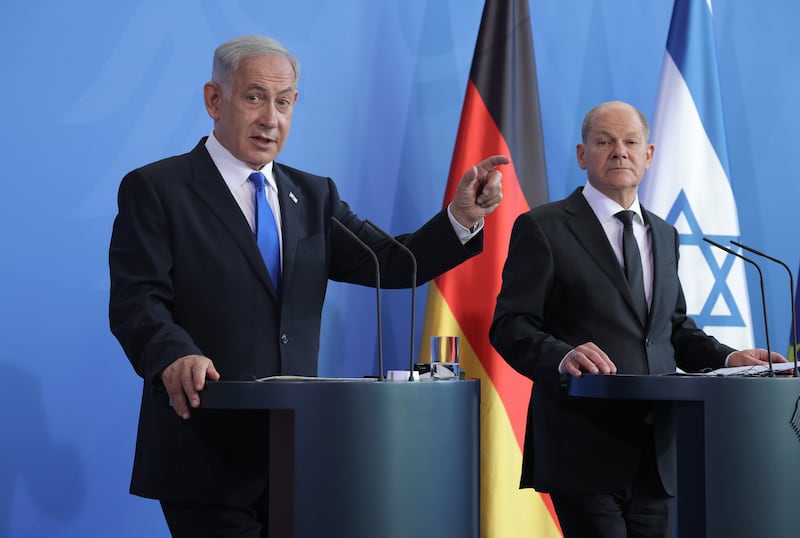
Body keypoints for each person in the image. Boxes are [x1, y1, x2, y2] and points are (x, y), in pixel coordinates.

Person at [108, 34, 508, 537]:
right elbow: (136, 300)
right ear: (214, 99)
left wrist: (461, 217)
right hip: (205, 449)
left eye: (283, 102)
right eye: (254, 97)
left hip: (299, 455)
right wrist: (174, 356)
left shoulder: (313, 195)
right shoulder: (158, 189)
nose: (270, 119)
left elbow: (392, 263)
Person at [489, 100, 785, 538]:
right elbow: (510, 324)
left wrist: (729, 359)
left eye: (631, 142)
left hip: (659, 452)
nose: (619, 152)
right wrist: (562, 356)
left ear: (648, 155)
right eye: (604, 141)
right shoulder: (544, 227)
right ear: (581, 154)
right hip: (583, 446)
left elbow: (673, 329)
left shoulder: (664, 234)